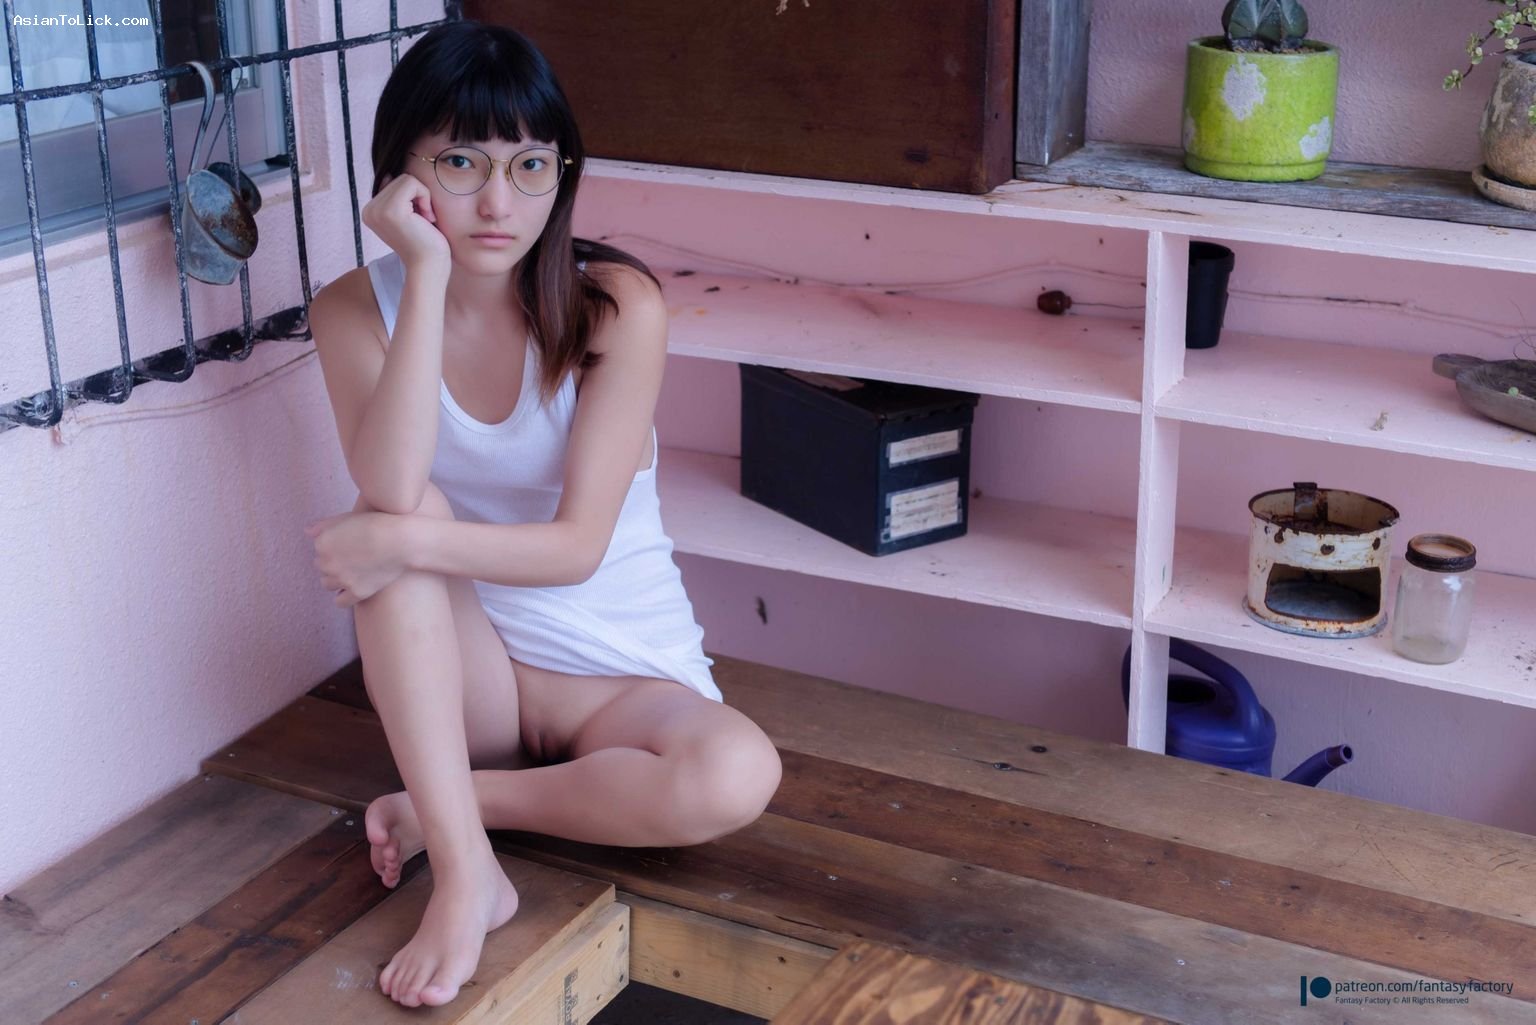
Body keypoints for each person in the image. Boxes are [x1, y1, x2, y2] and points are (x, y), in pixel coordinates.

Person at [302, 19, 783, 1010]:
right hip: (471, 682)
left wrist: (398, 538)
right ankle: (469, 875)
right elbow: (391, 485)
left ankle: (452, 807)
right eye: (461, 161)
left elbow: (577, 548)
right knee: (400, 503)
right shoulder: (351, 309)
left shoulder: (614, 305)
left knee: (736, 772)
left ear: (562, 174)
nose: (497, 202)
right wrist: (426, 276)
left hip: (621, 677)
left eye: (530, 166)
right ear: (400, 174)